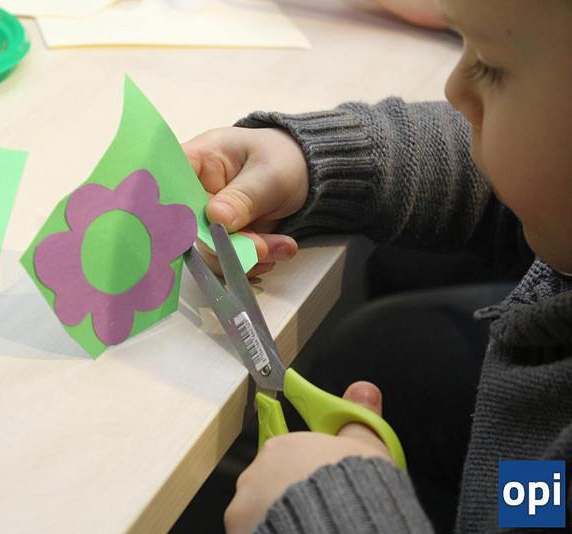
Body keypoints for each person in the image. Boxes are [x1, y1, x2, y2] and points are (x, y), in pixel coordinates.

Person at [181, 0, 572, 531]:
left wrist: (332, 515)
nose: (454, 90)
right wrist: (325, 163)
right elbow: (508, 182)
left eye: (491, 68)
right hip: (531, 492)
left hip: (530, 496)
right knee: (377, 345)